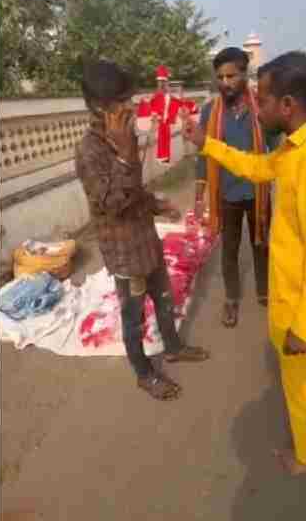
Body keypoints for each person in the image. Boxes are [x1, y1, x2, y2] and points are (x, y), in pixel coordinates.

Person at [183, 51, 306, 475]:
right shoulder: (302, 146)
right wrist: (207, 145)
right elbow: (259, 168)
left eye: (262, 99)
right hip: (301, 300)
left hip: (305, 310)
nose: (255, 107)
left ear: (288, 105)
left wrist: (303, 324)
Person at [76, 59, 210, 402]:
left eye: (129, 98)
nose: (131, 106)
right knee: (133, 318)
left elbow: (134, 191)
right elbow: (113, 203)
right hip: (123, 253)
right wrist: (124, 156)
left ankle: (174, 347)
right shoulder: (89, 150)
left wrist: (157, 204)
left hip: (146, 241)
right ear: (98, 106)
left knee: (164, 302)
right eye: (122, 100)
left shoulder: (124, 136)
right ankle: (144, 373)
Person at [194, 47, 278, 328]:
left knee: (261, 244)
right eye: (220, 77)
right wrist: (198, 195)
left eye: (231, 75)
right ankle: (231, 299)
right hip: (226, 193)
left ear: (244, 74)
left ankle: (264, 291)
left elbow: (275, 149)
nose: (225, 82)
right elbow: (204, 153)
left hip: (257, 192)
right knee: (228, 249)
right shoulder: (210, 111)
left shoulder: (262, 107)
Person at [148, 65, 182, 164]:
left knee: (166, 139)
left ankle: (165, 158)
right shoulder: (157, 95)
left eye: (164, 82)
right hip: (160, 120)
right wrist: (154, 114)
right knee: (161, 139)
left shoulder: (168, 95)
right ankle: (162, 158)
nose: (162, 84)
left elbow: (176, 102)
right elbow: (152, 105)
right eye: (160, 82)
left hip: (166, 120)